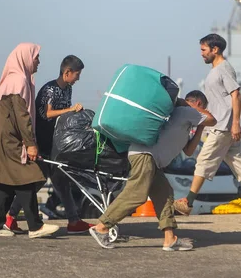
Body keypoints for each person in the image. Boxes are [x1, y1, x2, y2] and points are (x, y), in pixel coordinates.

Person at [90, 91, 217, 250]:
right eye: (203, 108)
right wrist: (194, 109)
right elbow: (212, 119)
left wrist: (200, 126)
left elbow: (190, 150)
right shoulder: (187, 111)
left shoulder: (182, 120)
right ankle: (102, 226)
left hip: (150, 159)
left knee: (164, 194)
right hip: (145, 156)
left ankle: (169, 239)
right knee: (137, 194)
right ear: (199, 104)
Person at [174, 34, 241, 216]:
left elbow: (236, 95)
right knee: (238, 164)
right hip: (224, 124)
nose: (201, 54)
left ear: (215, 49)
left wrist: (236, 123)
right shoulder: (216, 70)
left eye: (204, 50)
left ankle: (187, 203)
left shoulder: (224, 69)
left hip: (223, 125)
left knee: (203, 161)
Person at [0, 43, 59, 238]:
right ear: (26, 57)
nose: (38, 62)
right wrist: (31, 144)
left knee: (8, 180)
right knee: (27, 176)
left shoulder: (13, 78)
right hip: (6, 137)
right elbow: (22, 115)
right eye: (36, 57)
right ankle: (35, 226)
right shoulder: (19, 80)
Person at [6, 55, 90, 234]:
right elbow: (48, 113)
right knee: (36, 182)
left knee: (62, 182)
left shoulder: (67, 89)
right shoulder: (50, 89)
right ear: (67, 72)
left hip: (56, 143)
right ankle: (10, 217)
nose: (78, 78)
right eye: (77, 74)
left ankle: (73, 220)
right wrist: (70, 109)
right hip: (42, 142)